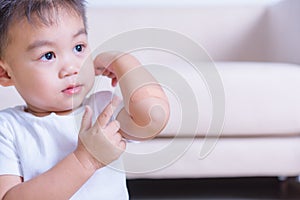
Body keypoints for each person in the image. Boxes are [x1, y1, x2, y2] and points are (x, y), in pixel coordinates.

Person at [0, 0, 170, 199]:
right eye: (48, 55)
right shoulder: (7, 129)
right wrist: (86, 159)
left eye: (78, 47)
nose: (71, 67)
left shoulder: (103, 109)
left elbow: (153, 116)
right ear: (6, 74)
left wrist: (123, 61)